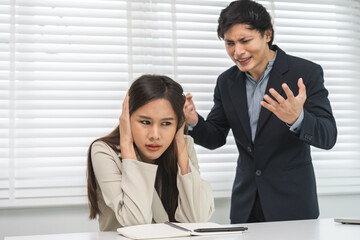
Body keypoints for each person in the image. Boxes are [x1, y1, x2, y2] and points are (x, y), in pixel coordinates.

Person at [184, 0, 337, 224]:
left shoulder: (305, 72)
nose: (237, 52)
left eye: (245, 41)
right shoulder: (226, 81)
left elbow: (328, 136)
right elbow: (215, 136)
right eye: (230, 43)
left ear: (267, 35)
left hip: (293, 205)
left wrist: (297, 119)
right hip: (246, 205)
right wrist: (193, 122)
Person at [87, 74, 214, 231]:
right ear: (126, 118)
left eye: (166, 123)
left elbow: (196, 221)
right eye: (145, 122)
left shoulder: (183, 146)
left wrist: (181, 146)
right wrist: (126, 144)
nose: (155, 135)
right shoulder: (104, 151)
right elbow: (136, 222)